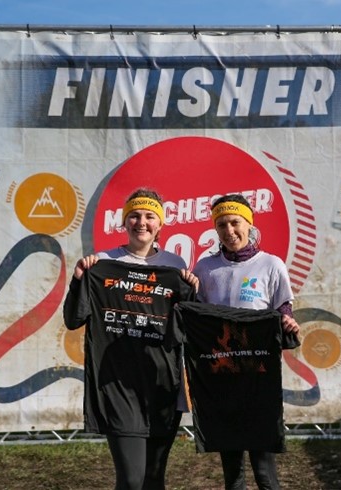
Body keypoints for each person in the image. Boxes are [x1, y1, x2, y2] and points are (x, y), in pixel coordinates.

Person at [63, 188, 198, 490]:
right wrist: (78, 280)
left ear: (160, 224)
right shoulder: (102, 263)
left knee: (153, 480)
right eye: (134, 216)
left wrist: (193, 293)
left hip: (163, 385)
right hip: (118, 384)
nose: (142, 222)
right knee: (131, 480)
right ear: (124, 222)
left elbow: (188, 327)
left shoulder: (175, 266)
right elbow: (73, 320)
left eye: (150, 216)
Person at [192, 193, 300, 490]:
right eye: (222, 225)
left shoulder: (271, 265)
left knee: (265, 472)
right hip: (221, 377)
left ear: (249, 224)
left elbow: (283, 311)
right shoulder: (205, 269)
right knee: (232, 473)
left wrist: (288, 322)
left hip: (258, 377)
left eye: (235, 223)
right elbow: (195, 316)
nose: (229, 231)